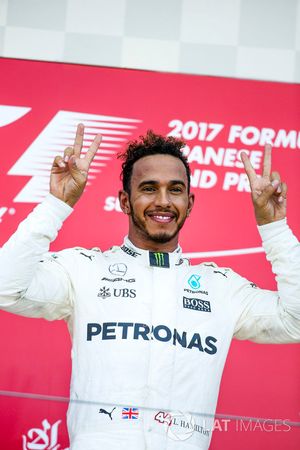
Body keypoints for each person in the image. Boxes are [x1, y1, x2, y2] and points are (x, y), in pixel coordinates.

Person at [0, 124, 299, 450]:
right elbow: (5, 287)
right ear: (125, 202)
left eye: (175, 189)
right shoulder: (84, 270)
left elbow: (294, 321)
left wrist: (275, 229)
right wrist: (57, 204)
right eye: (148, 188)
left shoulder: (220, 288)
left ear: (190, 201)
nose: (163, 201)